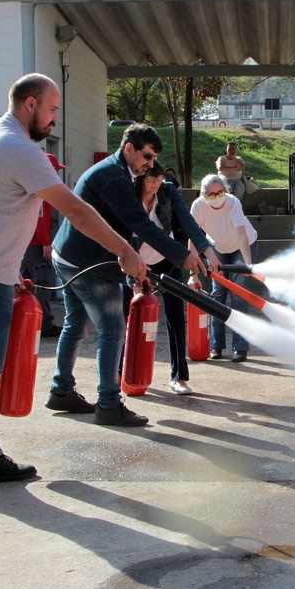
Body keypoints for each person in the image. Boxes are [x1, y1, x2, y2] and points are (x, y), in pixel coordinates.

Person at [0, 73, 146, 485]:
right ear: (30, 104)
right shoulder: (20, 150)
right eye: (52, 109)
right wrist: (125, 250)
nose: (55, 119)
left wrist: (11, 265)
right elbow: (76, 210)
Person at [47, 124, 218, 424]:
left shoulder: (122, 173)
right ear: (128, 149)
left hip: (69, 255)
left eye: (154, 158)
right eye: (147, 156)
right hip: (87, 263)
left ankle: (61, 390)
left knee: (76, 323)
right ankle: (109, 403)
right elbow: (142, 226)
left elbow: (127, 229)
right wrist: (183, 256)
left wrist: (139, 269)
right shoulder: (115, 178)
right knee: (113, 327)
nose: (151, 164)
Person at [123, 163, 216, 395]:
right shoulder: (127, 194)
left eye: (159, 178)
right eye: (150, 178)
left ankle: (179, 377)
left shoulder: (167, 192)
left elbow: (188, 223)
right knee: (125, 317)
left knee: (175, 316)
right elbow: (122, 235)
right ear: (140, 178)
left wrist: (207, 251)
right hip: (134, 261)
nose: (156, 183)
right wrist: (131, 277)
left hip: (167, 258)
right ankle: (120, 373)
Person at [189, 174, 259, 363]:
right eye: (211, 194)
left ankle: (240, 348)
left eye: (220, 192)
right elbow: (193, 239)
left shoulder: (232, 202)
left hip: (242, 246)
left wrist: (247, 266)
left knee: (238, 294)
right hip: (218, 248)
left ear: (225, 190)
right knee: (217, 294)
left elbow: (242, 235)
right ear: (204, 195)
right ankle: (216, 346)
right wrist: (193, 273)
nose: (217, 197)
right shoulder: (198, 206)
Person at [20, 153, 66, 339]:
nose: (56, 173)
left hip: (25, 245)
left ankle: (25, 321)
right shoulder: (42, 191)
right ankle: (44, 324)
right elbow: (39, 220)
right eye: (54, 169)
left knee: (25, 285)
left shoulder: (30, 188)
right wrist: (46, 242)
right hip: (36, 246)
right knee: (43, 285)